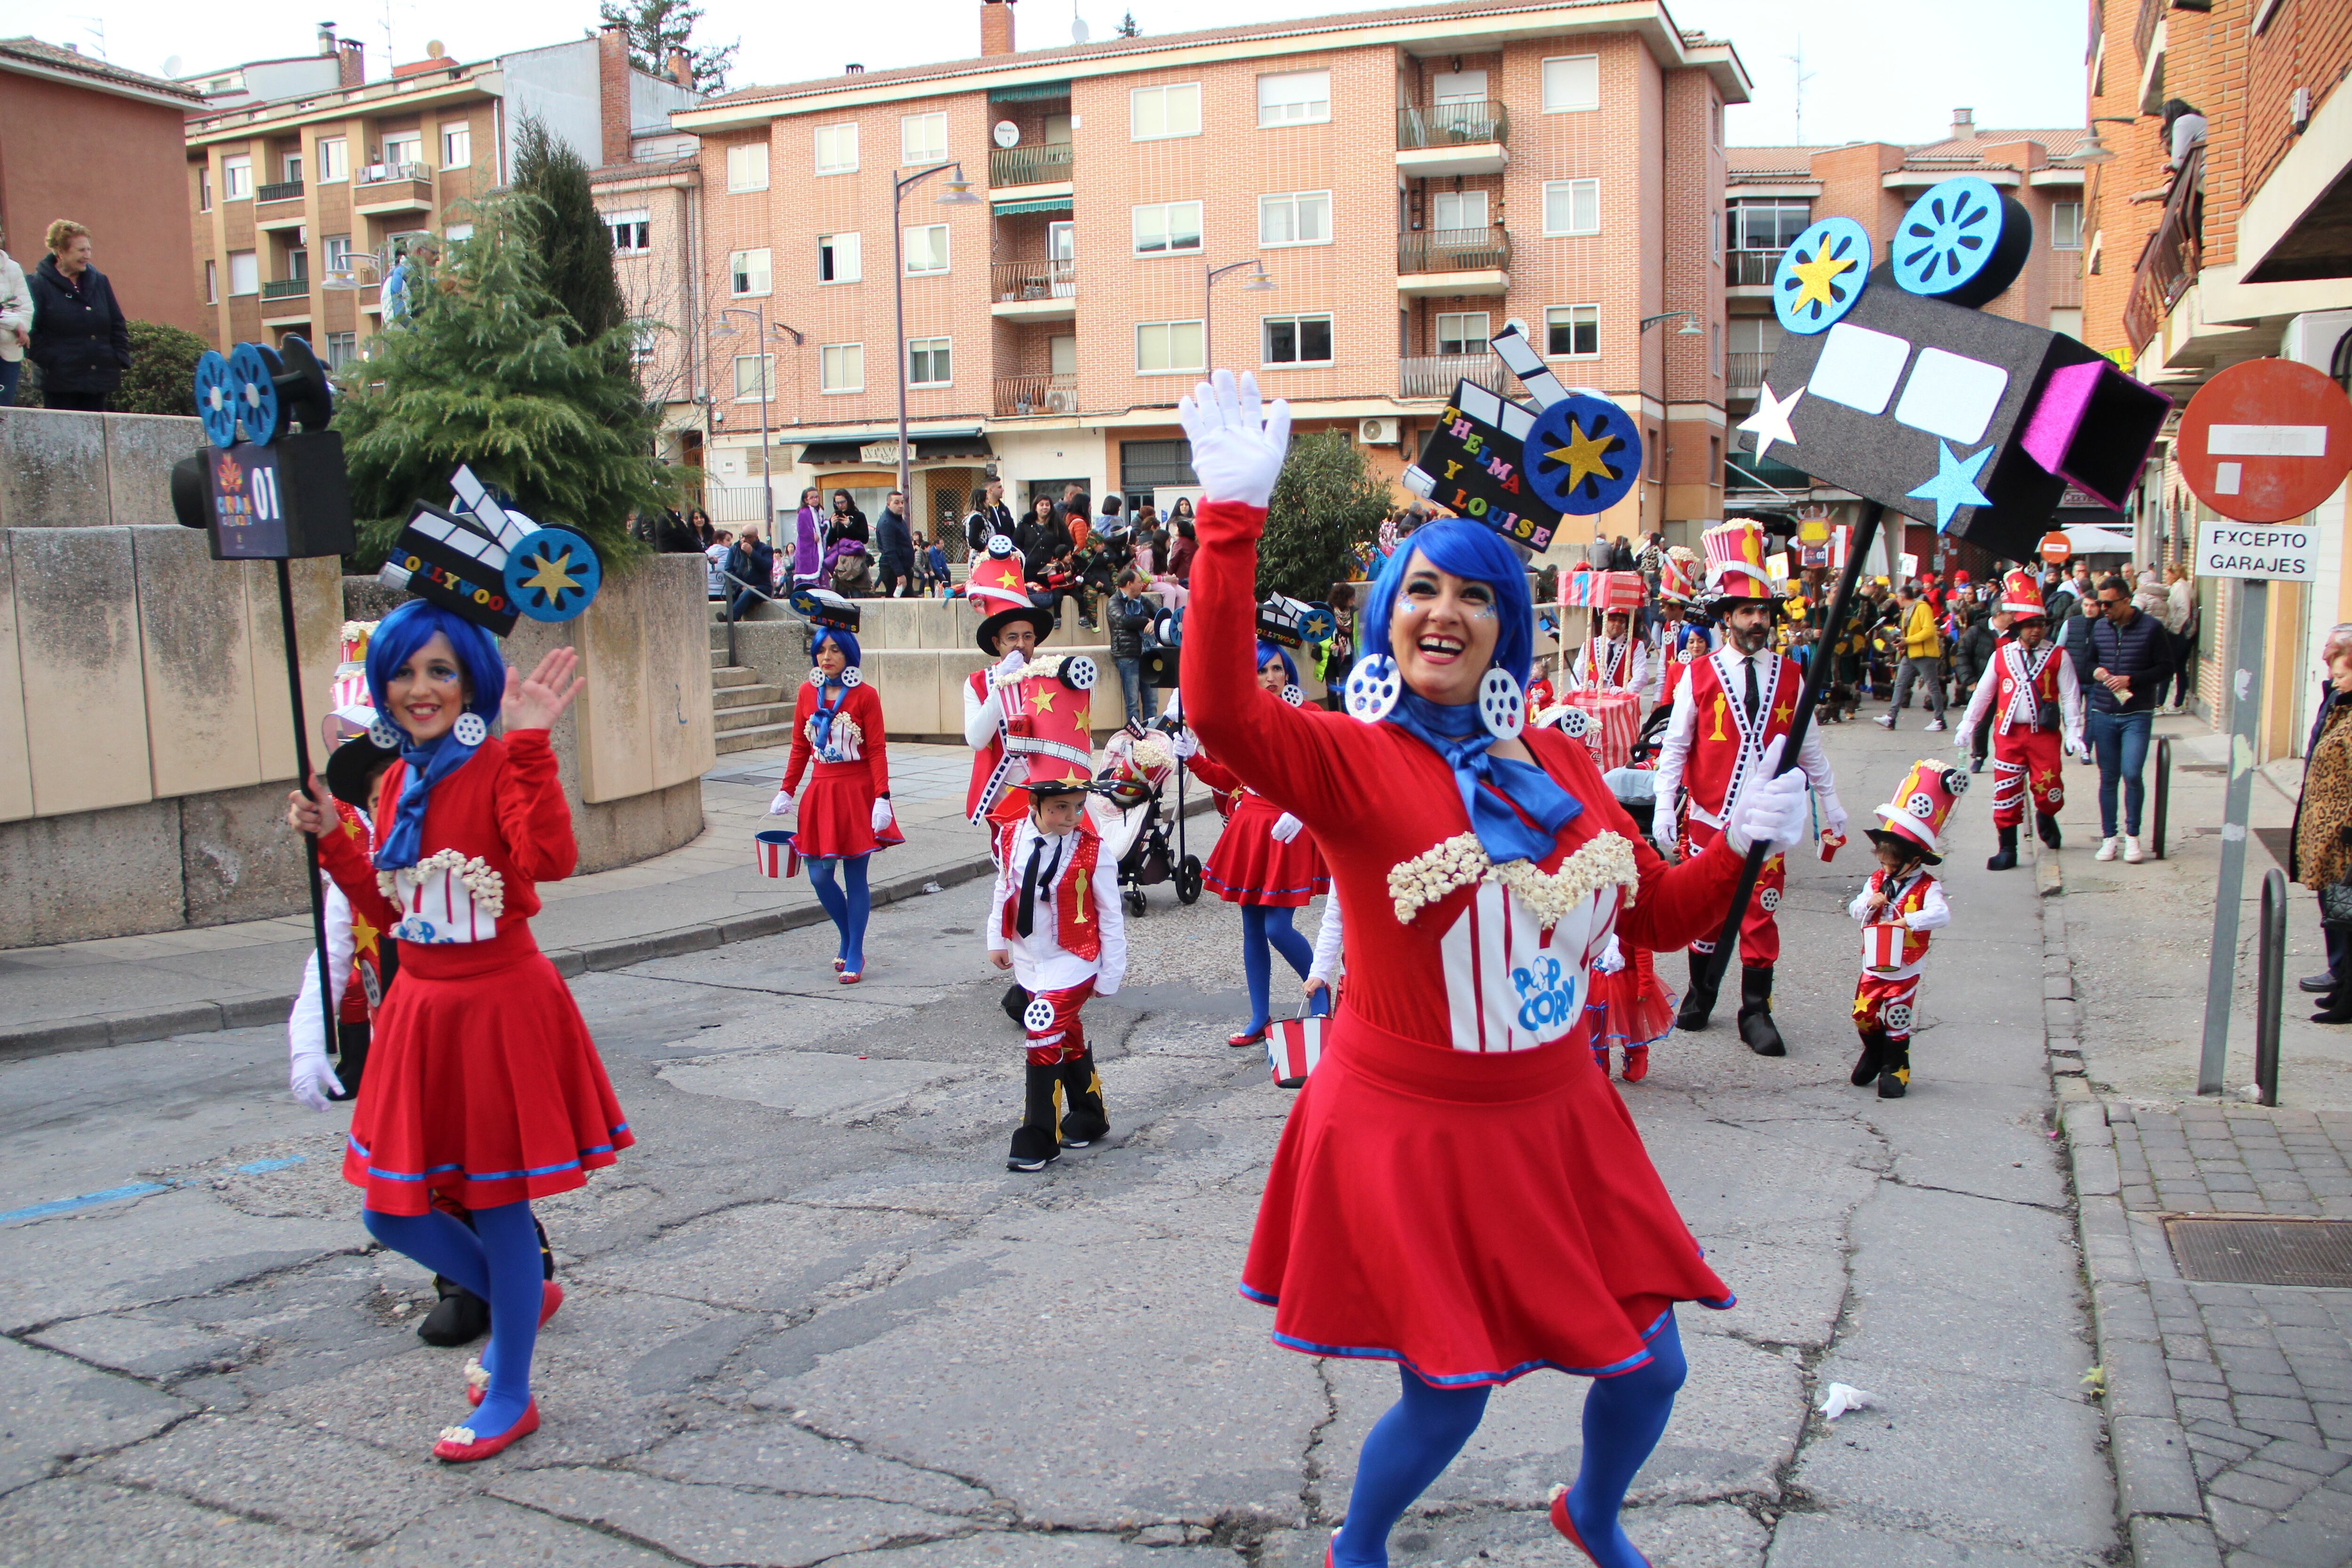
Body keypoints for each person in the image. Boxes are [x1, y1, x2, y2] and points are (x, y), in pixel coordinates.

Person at [1176, 369, 1813, 1568]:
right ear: (1387, 614)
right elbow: (1219, 713)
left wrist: (1738, 843)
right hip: (1411, 1121)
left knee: (1653, 1365)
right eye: (1422, 589)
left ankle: (1595, 1512)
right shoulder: (1350, 762)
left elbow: (1660, 918)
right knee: (1448, 1393)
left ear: (1508, 629)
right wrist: (1230, 521)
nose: (1446, 612)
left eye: (1476, 595)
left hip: (1559, 1115)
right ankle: (1356, 1547)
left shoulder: (1562, 766)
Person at [284, 602, 630, 1463]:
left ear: (472, 675)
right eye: (403, 671)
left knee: (497, 1201)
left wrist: (531, 744)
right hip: (422, 1010)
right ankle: (521, 1297)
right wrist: (335, 841)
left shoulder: (496, 762)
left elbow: (550, 860)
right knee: (391, 1210)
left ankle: (510, 1385)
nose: (418, 688)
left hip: (496, 1006)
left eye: (440, 670)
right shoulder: (399, 780)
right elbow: (391, 911)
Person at [1652, 518, 1847, 1053]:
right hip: (1709, 817)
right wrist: (1663, 807)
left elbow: (1807, 746)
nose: (1757, 620)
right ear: (1726, 618)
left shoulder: (1791, 674)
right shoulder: (1698, 674)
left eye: (1763, 611)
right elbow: (1674, 746)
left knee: (1760, 913)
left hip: (1766, 824)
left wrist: (1829, 801)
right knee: (1706, 910)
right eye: (1746, 611)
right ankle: (1700, 992)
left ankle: (1755, 1011)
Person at [985, 728, 1125, 1172]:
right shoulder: (1010, 837)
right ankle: (1090, 1113)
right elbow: (1004, 888)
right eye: (1060, 807)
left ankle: (1038, 1137)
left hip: (1074, 960)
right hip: (1030, 961)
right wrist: (996, 937)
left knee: (1042, 1030)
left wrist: (1111, 971)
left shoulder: (1092, 850)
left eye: (1078, 806)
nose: (1071, 816)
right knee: (1066, 1035)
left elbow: (1110, 914)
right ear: (1035, 806)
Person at [1186, 641, 1331, 1047]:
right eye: (1261, 671)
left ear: (1288, 673)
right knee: (1252, 927)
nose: (1271, 678)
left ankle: (1319, 992)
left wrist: (1301, 805)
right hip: (1250, 823)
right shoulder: (1243, 720)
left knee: (1277, 927)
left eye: (1277, 669)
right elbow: (1230, 778)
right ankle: (1258, 1015)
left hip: (1285, 826)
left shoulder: (1308, 713)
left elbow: (1324, 768)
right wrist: (1192, 760)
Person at [771, 609, 902, 983]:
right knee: (818, 875)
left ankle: (856, 950)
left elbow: (877, 749)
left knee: (855, 875)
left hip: (856, 791)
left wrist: (882, 797)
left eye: (835, 650)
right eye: (821, 650)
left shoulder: (865, 696)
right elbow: (799, 746)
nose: (827, 657)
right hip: (820, 791)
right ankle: (847, 935)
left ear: (849, 654)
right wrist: (787, 789)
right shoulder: (804, 693)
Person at [1955, 571, 2082, 872]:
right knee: (2006, 791)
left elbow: (2071, 695)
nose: (2036, 631)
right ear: (2019, 627)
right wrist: (1967, 725)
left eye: (2040, 625)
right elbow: (1984, 695)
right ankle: (2008, 848)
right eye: (2030, 626)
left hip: (2044, 736)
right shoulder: (2002, 656)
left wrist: (2076, 730)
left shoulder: (2058, 656)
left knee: (2050, 790)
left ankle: (2046, 815)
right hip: (2009, 735)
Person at [1848, 761, 1959, 1099]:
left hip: (1907, 965)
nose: (1886, 869)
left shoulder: (1928, 887)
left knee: (1898, 1014)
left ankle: (1897, 1066)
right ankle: (1876, 1050)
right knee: (1862, 1013)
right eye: (1883, 862)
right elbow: (1855, 909)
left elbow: (1941, 915)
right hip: (1875, 960)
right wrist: (1871, 903)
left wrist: (1908, 920)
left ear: (1914, 859)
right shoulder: (1878, 880)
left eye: (1892, 864)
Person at [2080, 573, 2174, 863]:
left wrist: (2131, 679)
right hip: (2104, 712)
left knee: (2132, 773)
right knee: (2108, 778)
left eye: (2109, 604)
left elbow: (2166, 668)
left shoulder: (2152, 629)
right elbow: (2088, 661)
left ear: (2125, 600)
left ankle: (2133, 837)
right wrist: (2095, 671)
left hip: (2137, 713)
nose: (2104, 610)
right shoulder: (2100, 628)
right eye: (2100, 604)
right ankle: (2110, 838)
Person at [2296, 626, 2352, 1015]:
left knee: (2346, 908)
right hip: (2325, 827)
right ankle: (2341, 984)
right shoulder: (2338, 703)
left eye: (2341, 671)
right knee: (2334, 905)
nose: (2333, 678)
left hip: (2343, 828)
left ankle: (2345, 989)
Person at [26, 220, 129, 414]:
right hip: (59, 382)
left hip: (98, 378)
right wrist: (52, 361)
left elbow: (117, 323)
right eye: (81, 251)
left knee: (95, 440)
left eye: (89, 250)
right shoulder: (37, 284)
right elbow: (30, 331)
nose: (87, 256)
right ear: (60, 252)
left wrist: (118, 356)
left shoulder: (100, 281)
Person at [1873, 584, 1946, 731]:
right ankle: (1891, 717)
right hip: (1910, 654)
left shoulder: (1922, 607)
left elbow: (1928, 631)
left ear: (1902, 597)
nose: (1897, 601)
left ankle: (1940, 720)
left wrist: (1907, 641)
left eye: (1898, 598)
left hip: (1924, 654)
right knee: (1900, 684)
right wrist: (1901, 642)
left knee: (1933, 686)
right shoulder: (1906, 610)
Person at [1946, 589, 2003, 773]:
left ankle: (2008, 758)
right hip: (1983, 685)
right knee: (1981, 723)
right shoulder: (1977, 631)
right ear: (2000, 614)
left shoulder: (2015, 633)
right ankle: (1979, 755)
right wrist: (1970, 680)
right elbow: (1961, 656)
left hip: (2008, 688)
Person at [1106, 569, 1158, 724]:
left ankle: (1153, 737)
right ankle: (1136, 739)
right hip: (1128, 656)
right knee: (1132, 703)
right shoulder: (1114, 601)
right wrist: (1147, 621)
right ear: (1129, 584)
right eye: (1138, 582)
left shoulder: (1143, 600)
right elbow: (1124, 620)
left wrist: (1156, 622)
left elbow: (1162, 614)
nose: (1142, 585)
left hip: (1148, 656)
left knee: (1152, 703)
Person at [1565, 603, 1649, 695]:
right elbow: (1577, 672)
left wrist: (1627, 690)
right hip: (1593, 701)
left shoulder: (1636, 645)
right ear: (1604, 621)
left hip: (1621, 702)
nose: (1617, 624)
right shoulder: (1589, 644)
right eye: (1613, 620)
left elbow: (1641, 674)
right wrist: (1579, 687)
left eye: (1622, 621)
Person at [0, 220, 30, 406]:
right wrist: (14, 324)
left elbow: (26, 309)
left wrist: (20, 324)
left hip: (9, 352)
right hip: (12, 334)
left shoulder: (12, 268)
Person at [380, 236, 440, 326]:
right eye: (434, 253)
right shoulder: (398, 278)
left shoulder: (430, 282)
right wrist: (424, 338)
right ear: (419, 252)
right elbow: (398, 320)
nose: (438, 258)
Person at [2162, 565, 2197, 712]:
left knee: (2169, 666)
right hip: (2182, 632)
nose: (2165, 578)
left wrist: (2174, 629)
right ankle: (2178, 702)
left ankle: (2161, 702)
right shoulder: (2180, 586)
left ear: (2174, 574)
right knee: (2179, 668)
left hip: (2180, 633)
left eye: (2166, 574)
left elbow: (2184, 610)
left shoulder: (2180, 587)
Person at [725, 525, 772, 621]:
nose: (745, 540)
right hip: (739, 588)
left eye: (749, 537)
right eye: (743, 536)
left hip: (761, 587)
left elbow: (767, 567)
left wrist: (752, 553)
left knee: (749, 592)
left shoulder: (766, 549)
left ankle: (730, 618)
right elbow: (728, 571)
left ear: (756, 538)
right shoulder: (734, 549)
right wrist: (741, 586)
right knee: (735, 594)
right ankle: (728, 618)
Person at [874, 489, 914, 597]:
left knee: (908, 601)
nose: (901, 506)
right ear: (889, 505)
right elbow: (889, 551)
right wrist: (900, 574)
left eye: (902, 502)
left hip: (904, 569)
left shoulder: (899, 520)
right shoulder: (887, 523)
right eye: (896, 503)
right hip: (893, 572)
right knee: (897, 603)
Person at [966, 478, 1017, 557]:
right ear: (990, 490)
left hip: (1006, 554)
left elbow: (1013, 531)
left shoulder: (1004, 509)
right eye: (999, 487)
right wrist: (985, 549)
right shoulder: (980, 514)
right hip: (988, 556)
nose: (1003, 490)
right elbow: (970, 537)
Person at [703, 529, 733, 600]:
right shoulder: (729, 553)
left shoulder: (706, 553)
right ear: (719, 541)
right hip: (723, 592)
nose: (731, 543)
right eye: (728, 540)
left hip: (707, 592)